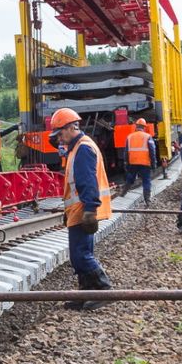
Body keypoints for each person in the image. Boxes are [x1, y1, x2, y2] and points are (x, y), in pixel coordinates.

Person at [48, 108, 113, 307]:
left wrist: (90, 210)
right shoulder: (77, 148)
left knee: (81, 254)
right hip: (78, 210)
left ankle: (104, 290)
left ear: (70, 128)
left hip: (84, 210)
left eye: (60, 134)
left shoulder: (83, 148)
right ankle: (85, 293)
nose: (59, 139)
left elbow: (87, 182)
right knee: (80, 254)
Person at [124, 118, 155, 204]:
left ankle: (123, 193)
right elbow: (152, 151)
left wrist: (126, 163)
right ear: (144, 127)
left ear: (136, 126)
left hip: (133, 162)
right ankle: (147, 200)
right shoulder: (148, 137)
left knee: (130, 178)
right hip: (145, 163)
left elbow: (126, 151)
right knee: (146, 181)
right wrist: (153, 164)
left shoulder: (129, 137)